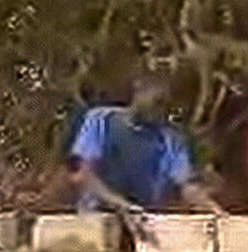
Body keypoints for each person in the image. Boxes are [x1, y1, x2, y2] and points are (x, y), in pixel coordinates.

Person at [68, 73, 223, 225]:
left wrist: (216, 212)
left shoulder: (170, 140)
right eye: (158, 101)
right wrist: (122, 206)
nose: (161, 110)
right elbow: (83, 176)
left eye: (167, 106)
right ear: (139, 90)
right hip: (98, 221)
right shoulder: (101, 120)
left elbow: (188, 189)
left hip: (147, 226)